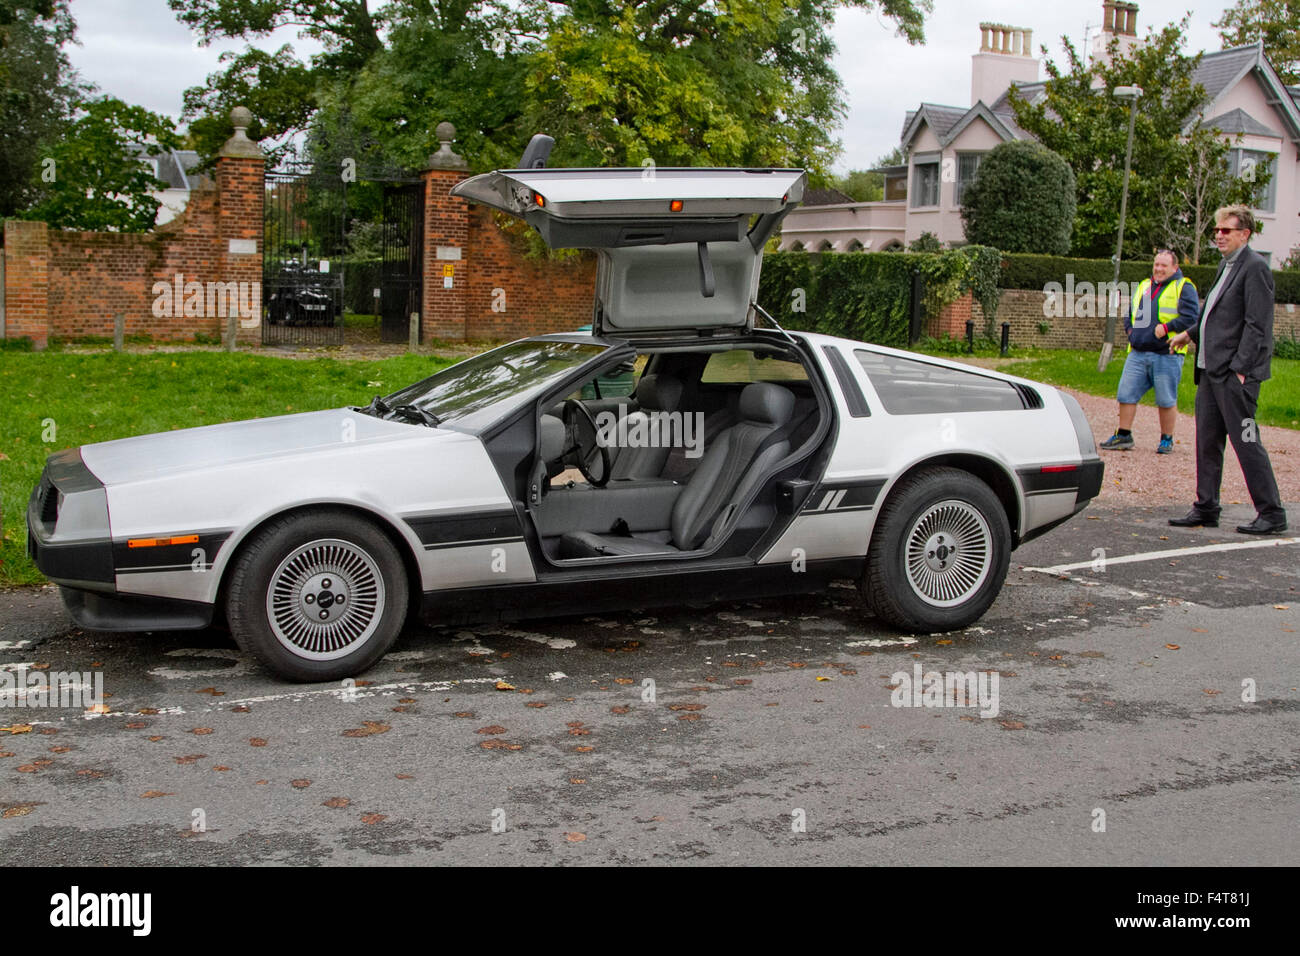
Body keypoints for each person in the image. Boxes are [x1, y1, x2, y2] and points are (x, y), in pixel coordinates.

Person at [1168, 205, 1287, 534]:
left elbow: (1257, 325)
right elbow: (1215, 314)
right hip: (1209, 374)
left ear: (1244, 234)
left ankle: (1272, 513)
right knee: (1207, 443)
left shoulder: (1255, 268)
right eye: (1217, 230)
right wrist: (1188, 334)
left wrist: (1240, 370)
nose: (1218, 235)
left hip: (1234, 376)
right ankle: (1206, 507)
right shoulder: (1227, 265)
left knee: (1247, 443)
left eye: (1226, 231)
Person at [1099, 250, 1200, 453]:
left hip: (1167, 354)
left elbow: (1191, 317)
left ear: (1175, 267)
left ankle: (1166, 439)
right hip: (1137, 352)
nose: (1159, 269)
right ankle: (1124, 435)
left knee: (1165, 399)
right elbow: (1130, 313)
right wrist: (1130, 331)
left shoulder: (1183, 287)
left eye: (1164, 265)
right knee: (1125, 394)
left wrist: (1168, 327)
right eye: (1156, 265)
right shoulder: (1145, 285)